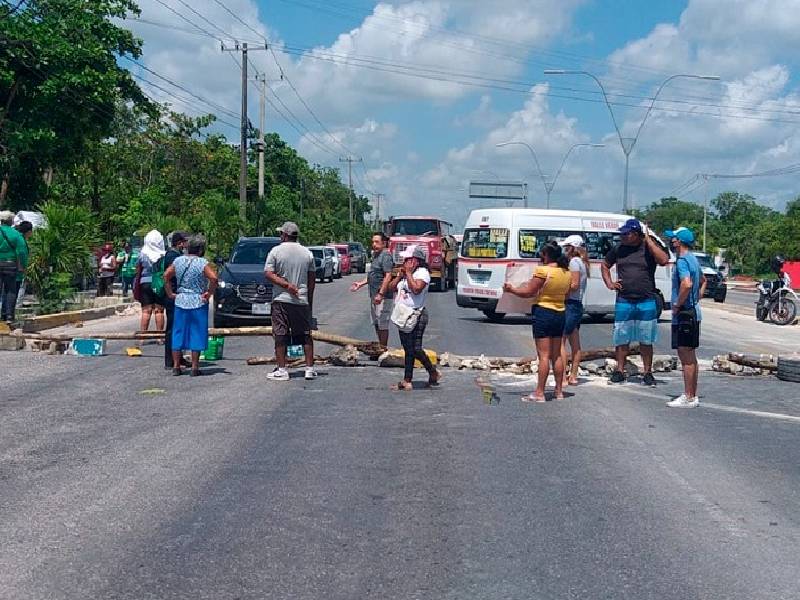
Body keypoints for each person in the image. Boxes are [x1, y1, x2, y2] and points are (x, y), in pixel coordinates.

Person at [601, 218, 669, 386]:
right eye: (622, 234)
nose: (623, 236)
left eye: (627, 234)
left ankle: (647, 372)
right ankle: (619, 371)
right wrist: (609, 283)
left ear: (637, 234)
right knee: (621, 338)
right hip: (624, 299)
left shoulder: (647, 249)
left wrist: (649, 241)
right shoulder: (619, 249)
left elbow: (663, 260)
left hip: (646, 299)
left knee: (646, 339)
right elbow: (605, 265)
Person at [504, 241, 572, 402]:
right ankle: (559, 391)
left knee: (543, 356)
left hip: (544, 312)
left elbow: (528, 292)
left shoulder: (542, 271)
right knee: (557, 355)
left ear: (546, 255)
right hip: (560, 312)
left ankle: (540, 392)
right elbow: (567, 295)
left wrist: (512, 289)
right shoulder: (566, 273)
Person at [264, 222, 317, 382]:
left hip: (281, 299)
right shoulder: (307, 253)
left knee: (280, 333)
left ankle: (282, 369)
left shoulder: (276, 251)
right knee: (305, 334)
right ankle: (309, 368)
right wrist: (309, 300)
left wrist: (286, 285)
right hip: (301, 299)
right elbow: (311, 279)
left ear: (285, 235)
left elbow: (268, 273)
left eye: (281, 234)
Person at [385, 245, 441, 390]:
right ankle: (416, 377)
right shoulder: (405, 274)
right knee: (408, 348)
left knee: (415, 348)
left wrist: (409, 273)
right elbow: (391, 288)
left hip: (416, 314)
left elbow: (416, 289)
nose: (404, 261)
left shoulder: (422, 273)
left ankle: (423, 374)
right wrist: (399, 276)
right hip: (402, 314)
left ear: (415, 261)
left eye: (407, 259)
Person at [164, 235, 217, 377]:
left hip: (181, 300)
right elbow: (213, 278)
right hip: (198, 301)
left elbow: (166, 275)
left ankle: (176, 366)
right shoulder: (202, 263)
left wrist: (170, 293)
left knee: (178, 333)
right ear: (200, 249)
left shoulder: (178, 261)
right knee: (196, 333)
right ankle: (194, 367)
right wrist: (209, 293)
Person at [665, 227, 706, 408]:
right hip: (694, 311)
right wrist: (696, 298)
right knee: (691, 355)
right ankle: (692, 394)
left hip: (685, 314)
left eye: (673, 239)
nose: (671, 241)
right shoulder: (693, 259)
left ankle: (688, 396)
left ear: (679, 241)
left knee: (685, 355)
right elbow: (703, 281)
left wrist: (677, 304)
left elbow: (687, 284)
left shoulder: (682, 261)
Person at [349, 232, 395, 347]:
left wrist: (381, 294)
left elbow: (388, 276)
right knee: (376, 322)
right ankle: (380, 347)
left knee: (382, 323)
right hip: (374, 295)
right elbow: (373, 274)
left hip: (383, 296)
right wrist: (361, 284)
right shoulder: (375, 255)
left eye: (377, 242)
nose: (374, 244)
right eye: (373, 242)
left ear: (384, 243)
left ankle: (383, 348)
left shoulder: (386, 256)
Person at [559, 235, 590, 386]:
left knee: (561, 342)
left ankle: (563, 377)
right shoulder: (582, 262)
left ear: (572, 248)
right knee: (575, 343)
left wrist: (560, 288)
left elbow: (574, 284)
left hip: (570, 304)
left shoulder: (573, 263)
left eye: (566, 247)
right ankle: (573, 375)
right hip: (577, 304)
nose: (564, 250)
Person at [163, 232, 189, 370]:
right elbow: (168, 276)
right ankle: (170, 361)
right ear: (180, 243)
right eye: (185, 242)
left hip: (176, 295)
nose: (186, 245)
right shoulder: (173, 256)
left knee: (179, 328)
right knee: (173, 329)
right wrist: (171, 294)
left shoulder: (175, 255)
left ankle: (179, 358)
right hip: (173, 296)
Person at [0, 210, 28, 324]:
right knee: (10, 290)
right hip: (10, 265)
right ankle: (8, 316)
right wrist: (23, 266)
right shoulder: (16, 234)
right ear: (11, 221)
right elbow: (22, 252)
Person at [136, 230, 166, 332]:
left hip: (145, 282)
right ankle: (159, 337)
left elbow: (138, 269)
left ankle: (143, 336)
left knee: (146, 311)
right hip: (159, 283)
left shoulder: (142, 254)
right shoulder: (163, 255)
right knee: (159, 311)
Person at [14, 221, 33, 308]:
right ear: (28, 232)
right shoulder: (21, 241)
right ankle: (17, 306)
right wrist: (24, 269)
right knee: (20, 287)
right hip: (19, 269)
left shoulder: (17, 238)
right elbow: (21, 255)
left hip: (12, 267)